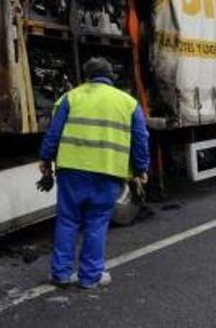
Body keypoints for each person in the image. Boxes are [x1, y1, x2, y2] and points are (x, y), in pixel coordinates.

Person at [38, 57, 149, 289]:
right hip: (108, 172)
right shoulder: (128, 103)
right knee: (96, 224)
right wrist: (140, 170)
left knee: (67, 221)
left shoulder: (71, 97)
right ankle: (90, 277)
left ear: (86, 77)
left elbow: (53, 133)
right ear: (111, 78)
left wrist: (46, 160)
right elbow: (140, 139)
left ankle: (61, 274)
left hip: (72, 172)